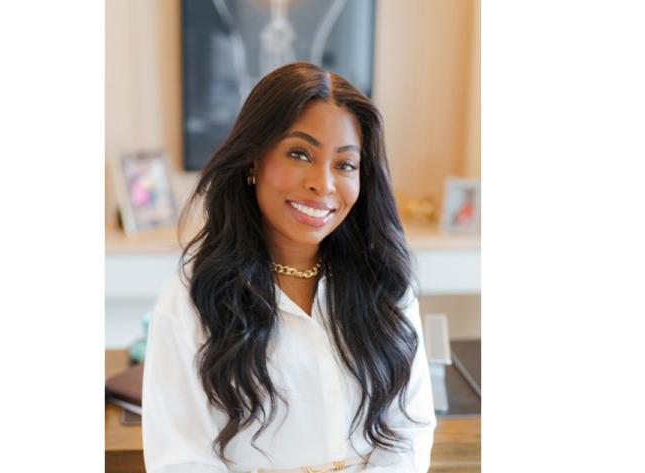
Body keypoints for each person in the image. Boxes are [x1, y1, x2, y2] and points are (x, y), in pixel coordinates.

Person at [142, 62, 436, 473]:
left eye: (345, 164)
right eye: (300, 154)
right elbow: (182, 459)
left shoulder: (384, 281)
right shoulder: (192, 296)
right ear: (252, 161)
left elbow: (409, 430)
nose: (324, 184)